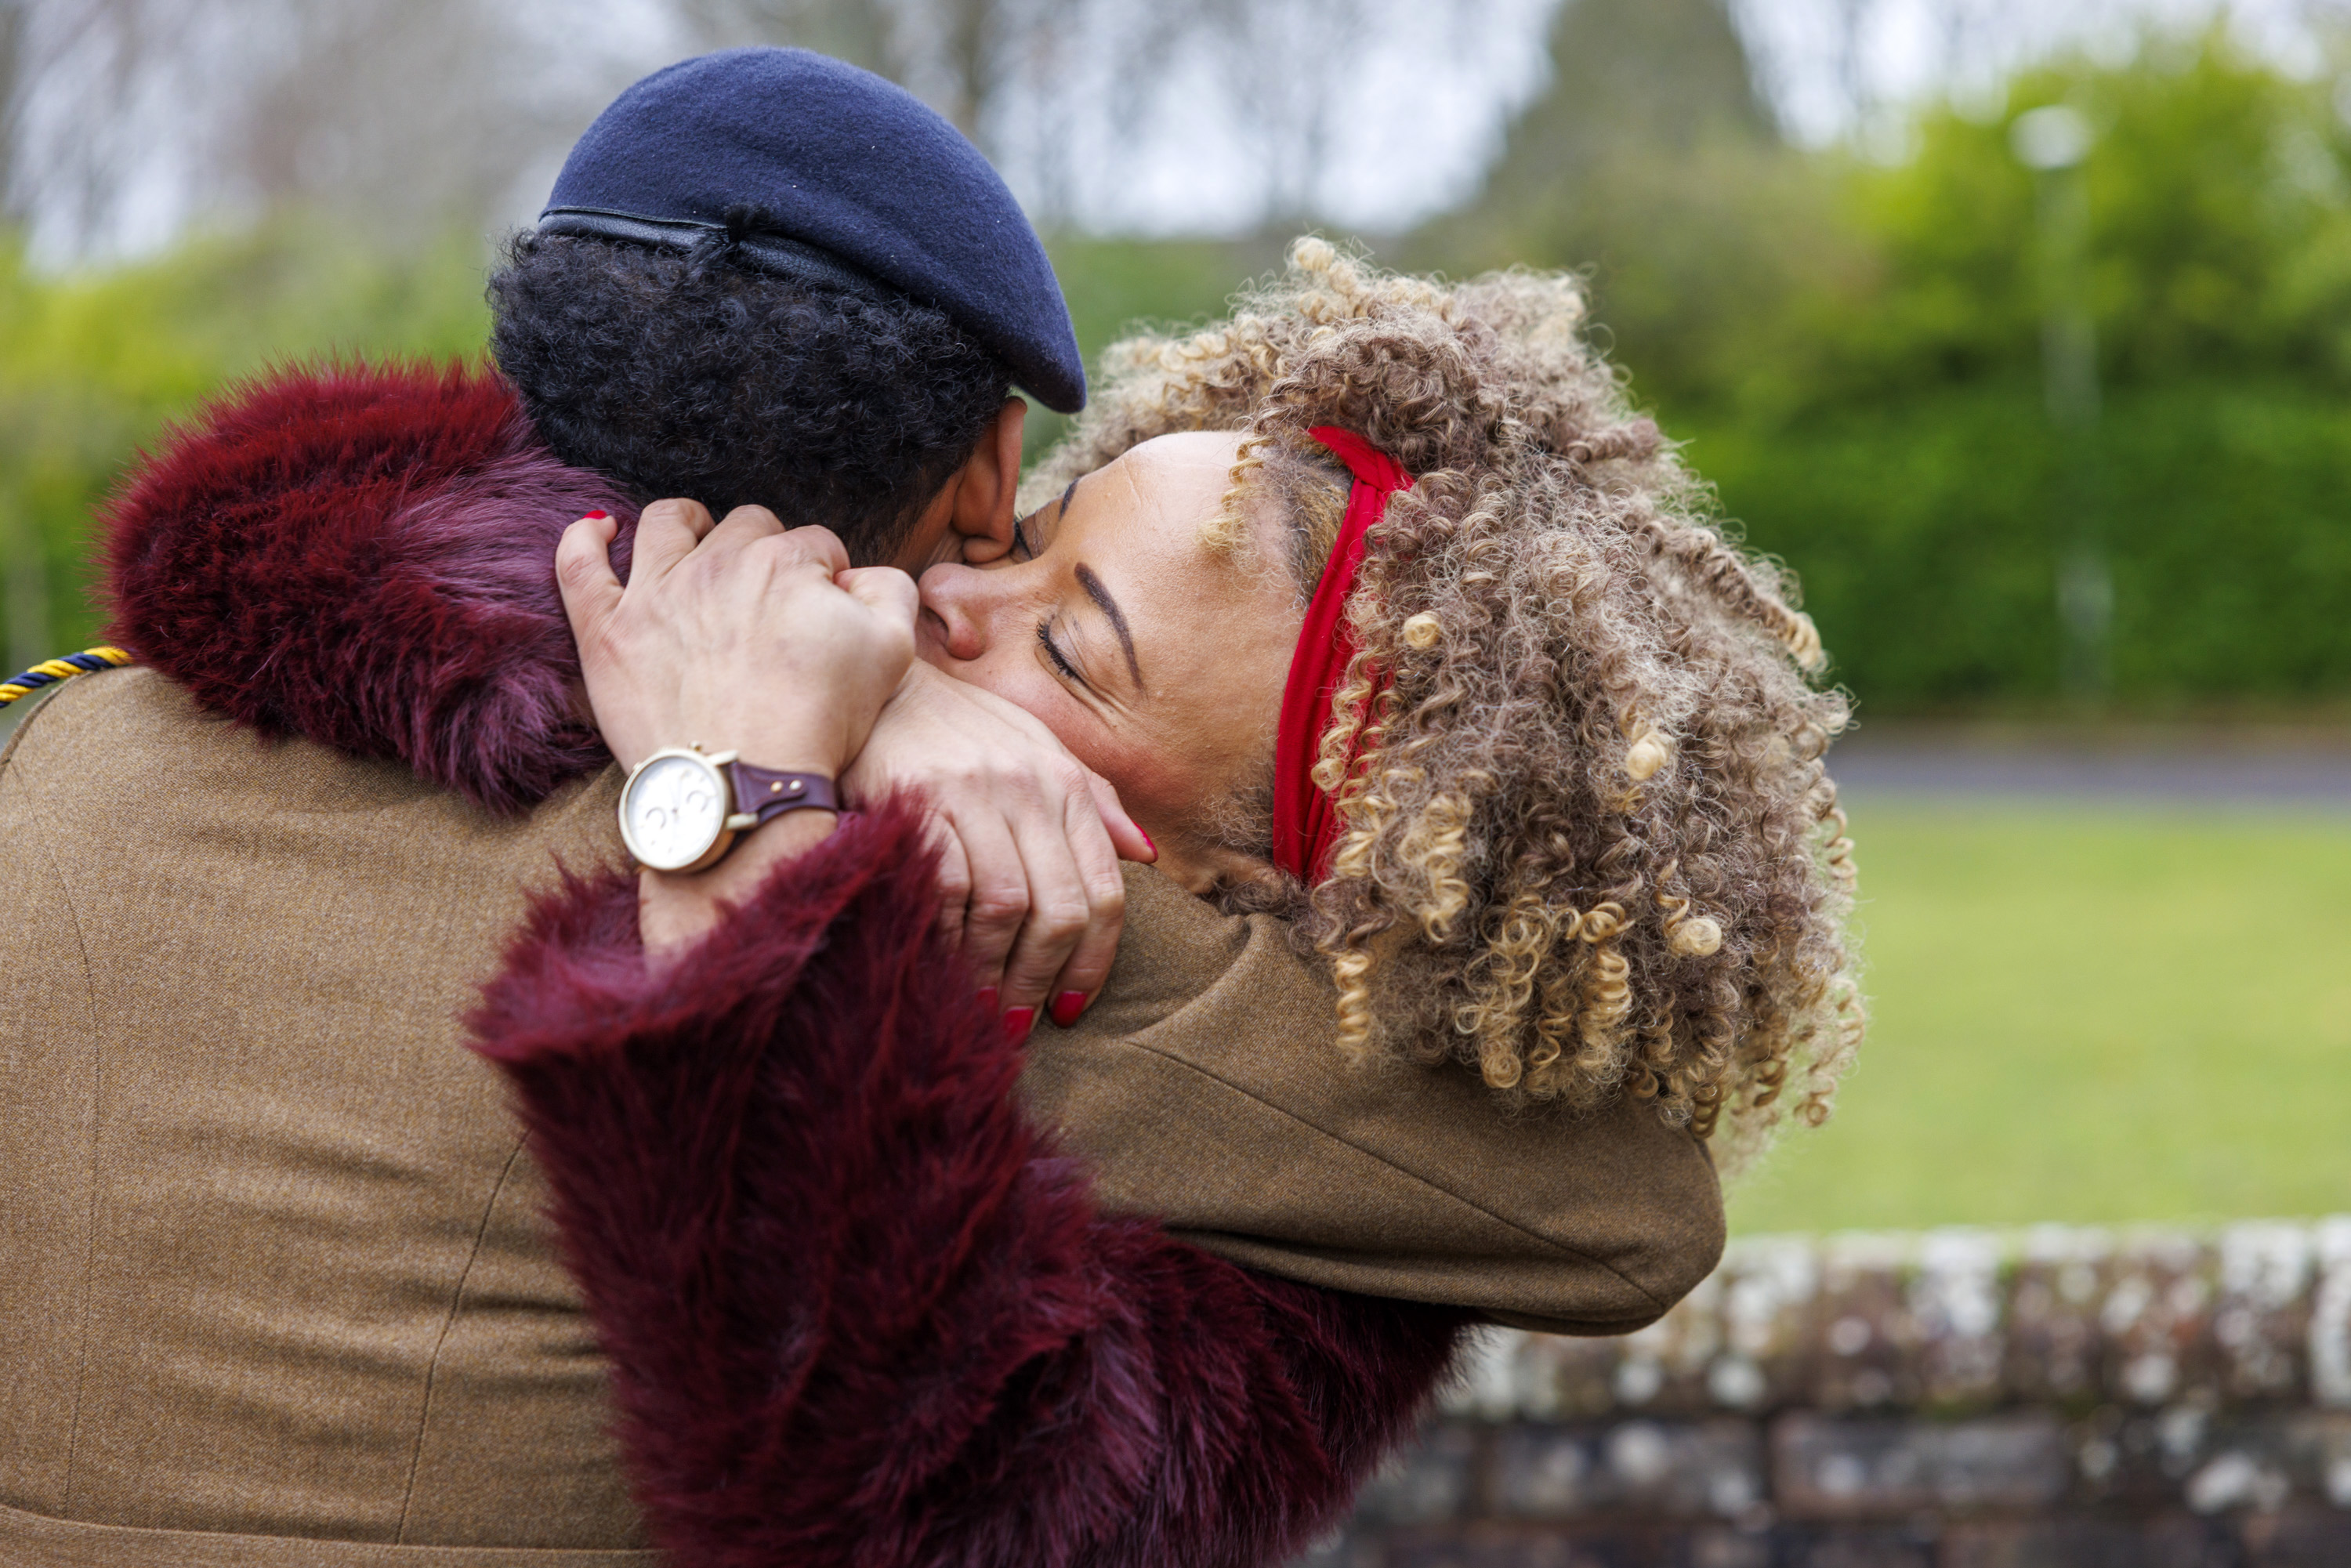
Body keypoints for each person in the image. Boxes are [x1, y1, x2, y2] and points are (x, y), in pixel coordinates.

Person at [0, 53, 1722, 1566]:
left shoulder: (61, 747)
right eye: (1021, 538)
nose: (959, 623)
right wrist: (788, 787)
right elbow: (1620, 1205)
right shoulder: (974, 918)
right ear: (984, 469)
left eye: (1066, 626)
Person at [468, 239, 1867, 1566]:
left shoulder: (1244, 1184)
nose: (944, 590)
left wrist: (749, 786)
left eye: (1070, 649)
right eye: (1029, 533)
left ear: (1233, 887)